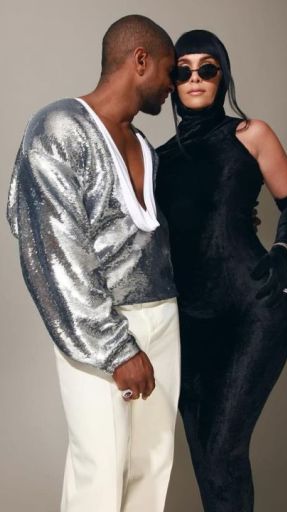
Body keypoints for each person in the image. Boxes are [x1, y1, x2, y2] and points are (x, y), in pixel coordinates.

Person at [6, 15, 179, 512]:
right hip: (100, 326)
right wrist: (115, 348)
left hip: (163, 317)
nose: (172, 85)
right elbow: (53, 251)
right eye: (169, 70)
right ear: (140, 60)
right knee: (101, 467)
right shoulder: (58, 128)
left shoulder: (144, 145)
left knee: (153, 465)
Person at [155, 30, 287, 512]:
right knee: (205, 453)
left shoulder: (250, 135)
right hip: (188, 323)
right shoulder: (156, 159)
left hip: (253, 310)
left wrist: (280, 252)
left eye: (207, 68)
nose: (195, 78)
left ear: (222, 75)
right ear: (172, 81)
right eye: (183, 71)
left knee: (223, 446)